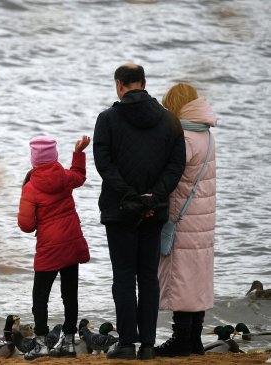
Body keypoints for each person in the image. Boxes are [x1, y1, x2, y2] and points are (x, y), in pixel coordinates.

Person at [93, 64, 186, 360]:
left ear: (119, 85)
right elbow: (176, 165)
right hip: (154, 210)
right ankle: (147, 345)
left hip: (119, 209)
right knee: (148, 276)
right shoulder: (170, 121)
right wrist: (153, 196)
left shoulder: (107, 119)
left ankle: (126, 344)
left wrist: (129, 196)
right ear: (144, 83)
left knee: (123, 275)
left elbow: (103, 163)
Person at [155, 83, 217, 357]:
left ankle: (181, 339)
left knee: (181, 275)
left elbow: (173, 175)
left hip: (184, 217)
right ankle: (195, 339)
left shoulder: (186, 137)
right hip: (203, 219)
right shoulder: (206, 133)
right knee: (198, 276)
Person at [18, 135, 91, 360]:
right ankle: (68, 342)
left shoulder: (31, 188)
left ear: (33, 160)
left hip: (49, 248)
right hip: (70, 244)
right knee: (70, 295)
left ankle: (40, 342)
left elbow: (27, 226)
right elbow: (79, 176)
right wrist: (78, 153)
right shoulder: (65, 177)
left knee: (40, 297)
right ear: (54, 156)